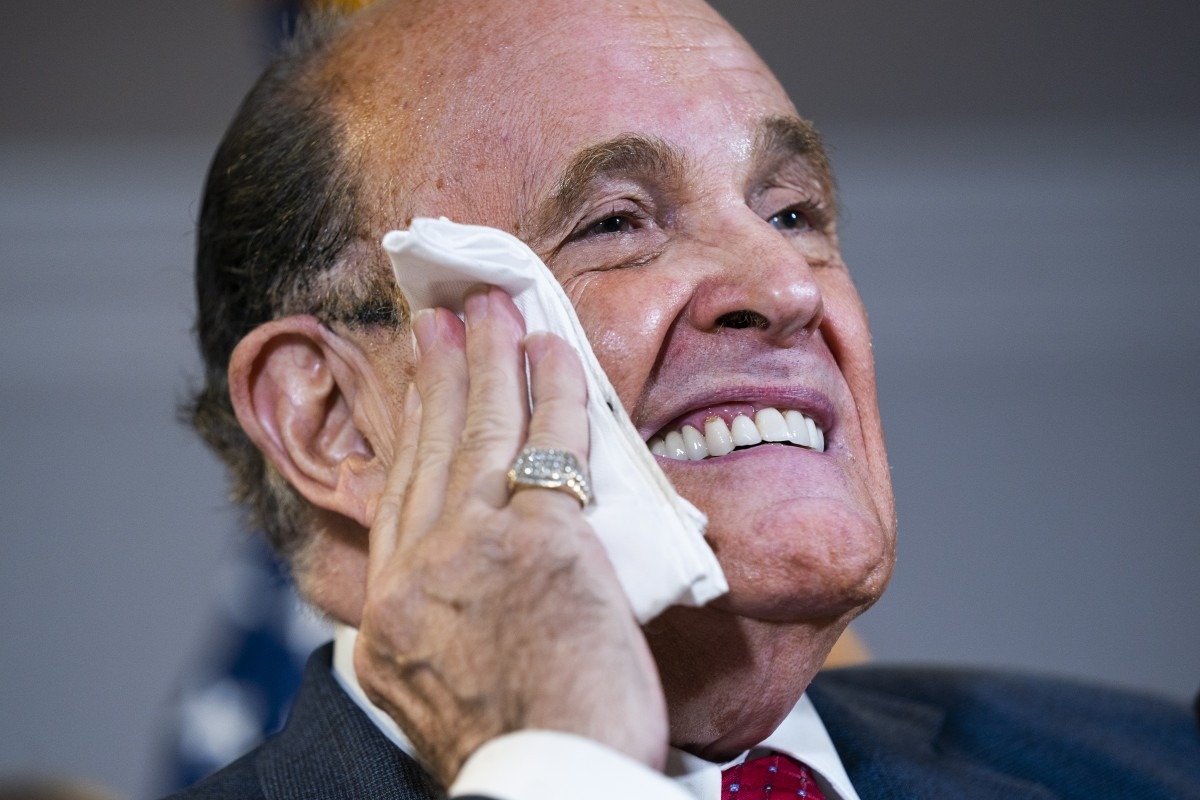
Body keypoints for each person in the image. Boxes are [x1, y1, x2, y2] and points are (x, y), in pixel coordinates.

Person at [172, 0, 1200, 797]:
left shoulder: (1157, 760)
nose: (788, 287)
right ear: (333, 420)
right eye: (616, 223)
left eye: (792, 212)